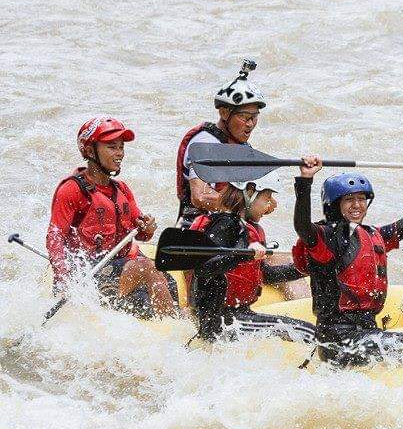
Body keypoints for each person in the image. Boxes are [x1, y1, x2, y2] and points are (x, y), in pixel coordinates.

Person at [292, 157, 403, 367]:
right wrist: (305, 180)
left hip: (367, 331)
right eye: (349, 199)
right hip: (339, 340)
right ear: (334, 204)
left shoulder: (373, 234)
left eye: (361, 199)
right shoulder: (327, 238)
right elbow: (302, 226)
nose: (357, 205)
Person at [46, 117, 177, 318]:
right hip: (91, 273)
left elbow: (142, 235)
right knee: (145, 267)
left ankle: (160, 319)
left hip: (121, 268)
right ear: (90, 151)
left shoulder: (122, 189)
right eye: (112, 147)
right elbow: (55, 237)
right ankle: (173, 328)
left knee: (170, 283)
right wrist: (64, 280)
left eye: (121, 147)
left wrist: (148, 227)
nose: (120, 154)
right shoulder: (72, 190)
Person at [189, 172, 316, 343]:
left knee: (308, 332)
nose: (271, 205)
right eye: (267, 197)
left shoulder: (243, 227)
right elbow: (204, 268)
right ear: (250, 193)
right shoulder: (227, 224)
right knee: (310, 333)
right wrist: (241, 255)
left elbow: (266, 274)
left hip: (238, 315)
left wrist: (310, 267)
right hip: (221, 320)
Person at [175, 59, 265, 229]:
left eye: (254, 117)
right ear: (224, 113)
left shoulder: (242, 147)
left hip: (228, 229)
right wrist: (246, 207)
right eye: (245, 117)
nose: (250, 124)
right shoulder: (206, 144)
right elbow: (200, 196)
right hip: (195, 232)